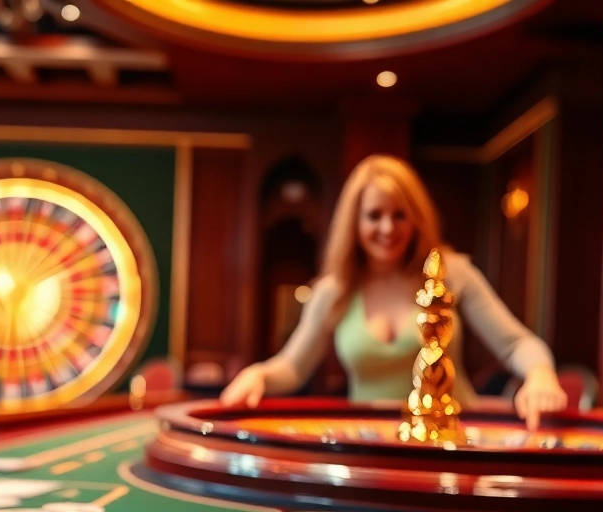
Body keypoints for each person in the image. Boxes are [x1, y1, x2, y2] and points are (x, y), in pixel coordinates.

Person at [221, 154, 567, 429]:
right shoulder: (334, 290)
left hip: (448, 442)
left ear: (417, 218)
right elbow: (293, 367)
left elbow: (517, 344)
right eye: (374, 215)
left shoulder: (452, 271)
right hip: (372, 448)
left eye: (400, 215)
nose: (388, 227)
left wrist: (540, 376)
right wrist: (260, 374)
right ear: (354, 223)